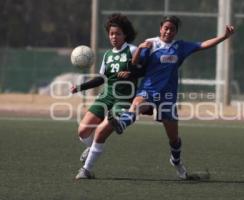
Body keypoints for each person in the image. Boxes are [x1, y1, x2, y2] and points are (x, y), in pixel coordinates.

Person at [109, 16, 235, 179]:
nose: (168, 31)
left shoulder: (180, 46)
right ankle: (121, 124)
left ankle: (176, 161)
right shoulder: (151, 43)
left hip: (168, 96)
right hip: (148, 89)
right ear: (160, 28)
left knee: (174, 138)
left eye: (172, 29)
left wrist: (224, 37)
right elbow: (135, 64)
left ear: (175, 32)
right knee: (137, 104)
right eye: (165, 28)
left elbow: (202, 45)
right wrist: (140, 48)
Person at [71, 13, 147, 179]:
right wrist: (80, 87)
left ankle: (86, 169)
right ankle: (92, 149)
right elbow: (101, 79)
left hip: (124, 99)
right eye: (111, 34)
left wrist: (131, 73)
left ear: (125, 34)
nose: (114, 37)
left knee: (100, 131)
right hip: (106, 96)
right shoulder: (108, 55)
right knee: (83, 131)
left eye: (118, 33)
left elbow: (145, 70)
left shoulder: (132, 50)